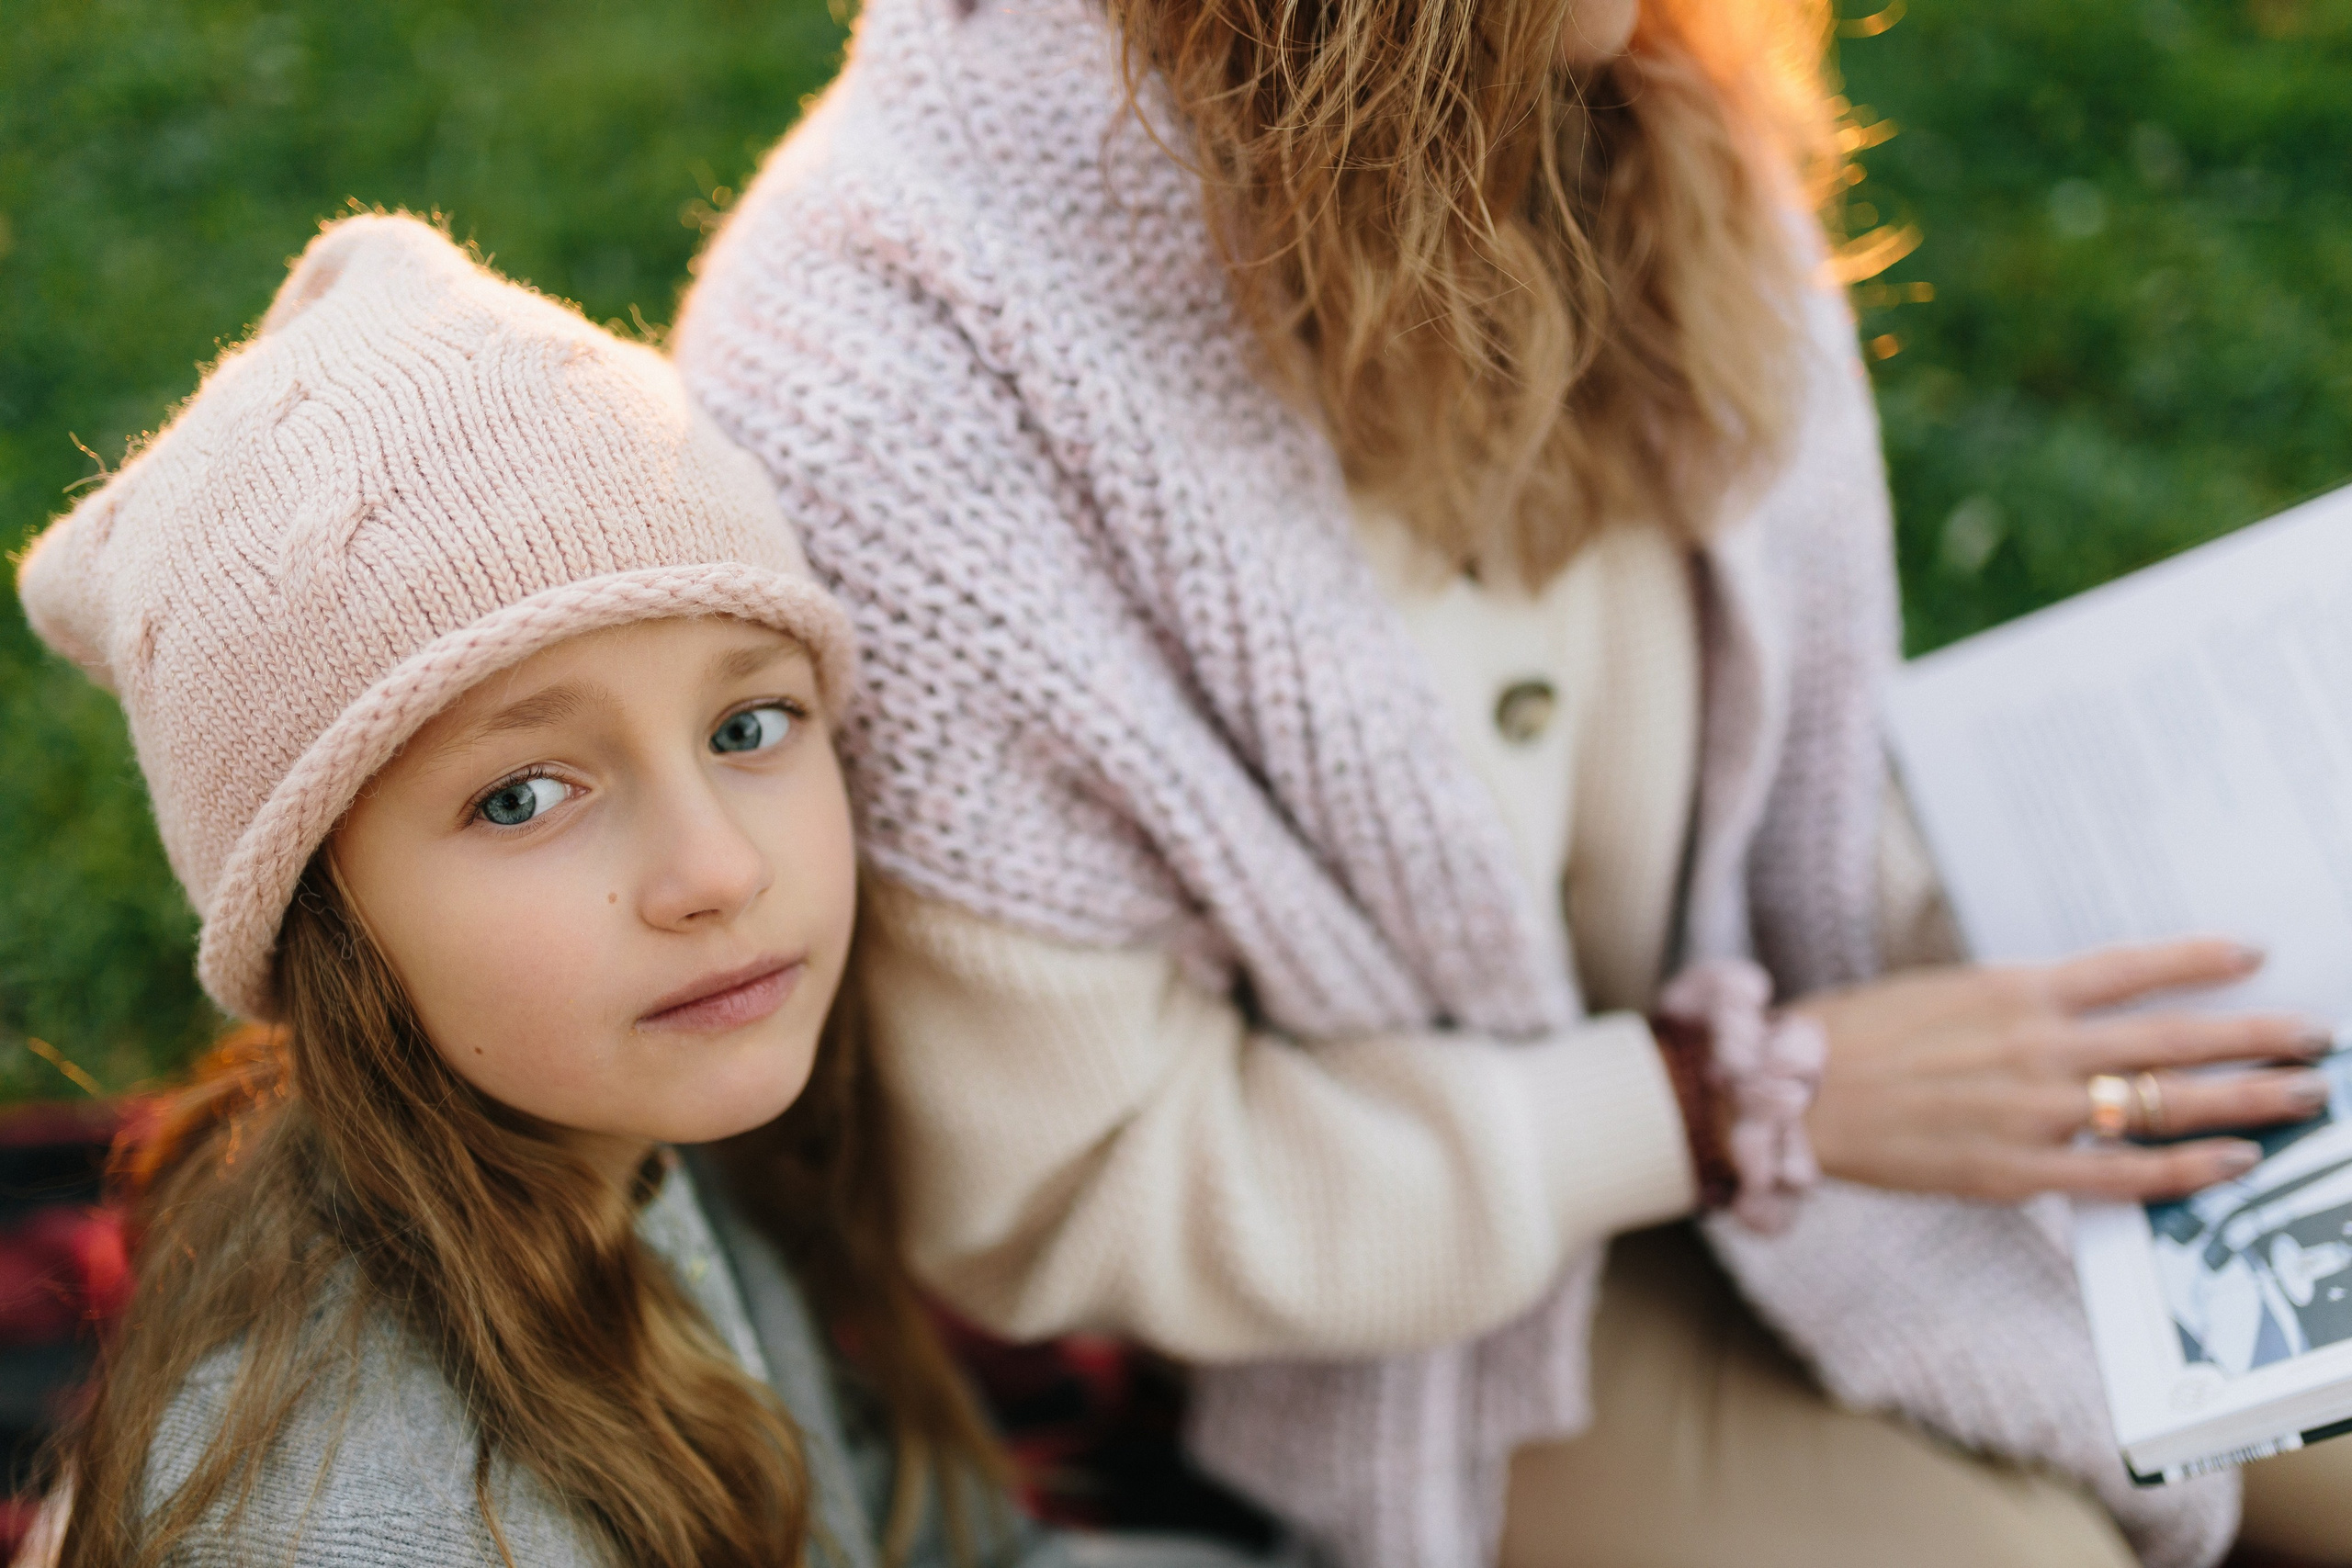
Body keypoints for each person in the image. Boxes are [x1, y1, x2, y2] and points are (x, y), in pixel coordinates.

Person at [670, 0, 2352, 1563]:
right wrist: (1711, 1104)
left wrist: (1992, 946)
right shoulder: (890, 395)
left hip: (1827, 1061)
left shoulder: (1630, 86)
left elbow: (1790, 782)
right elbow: (1078, 1187)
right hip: (1390, 1327)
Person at [12, 214, 1281, 1568]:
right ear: (320, 921)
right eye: (523, 797)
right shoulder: (379, 1524)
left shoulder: (615, 1146)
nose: (718, 872)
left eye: (748, 726)